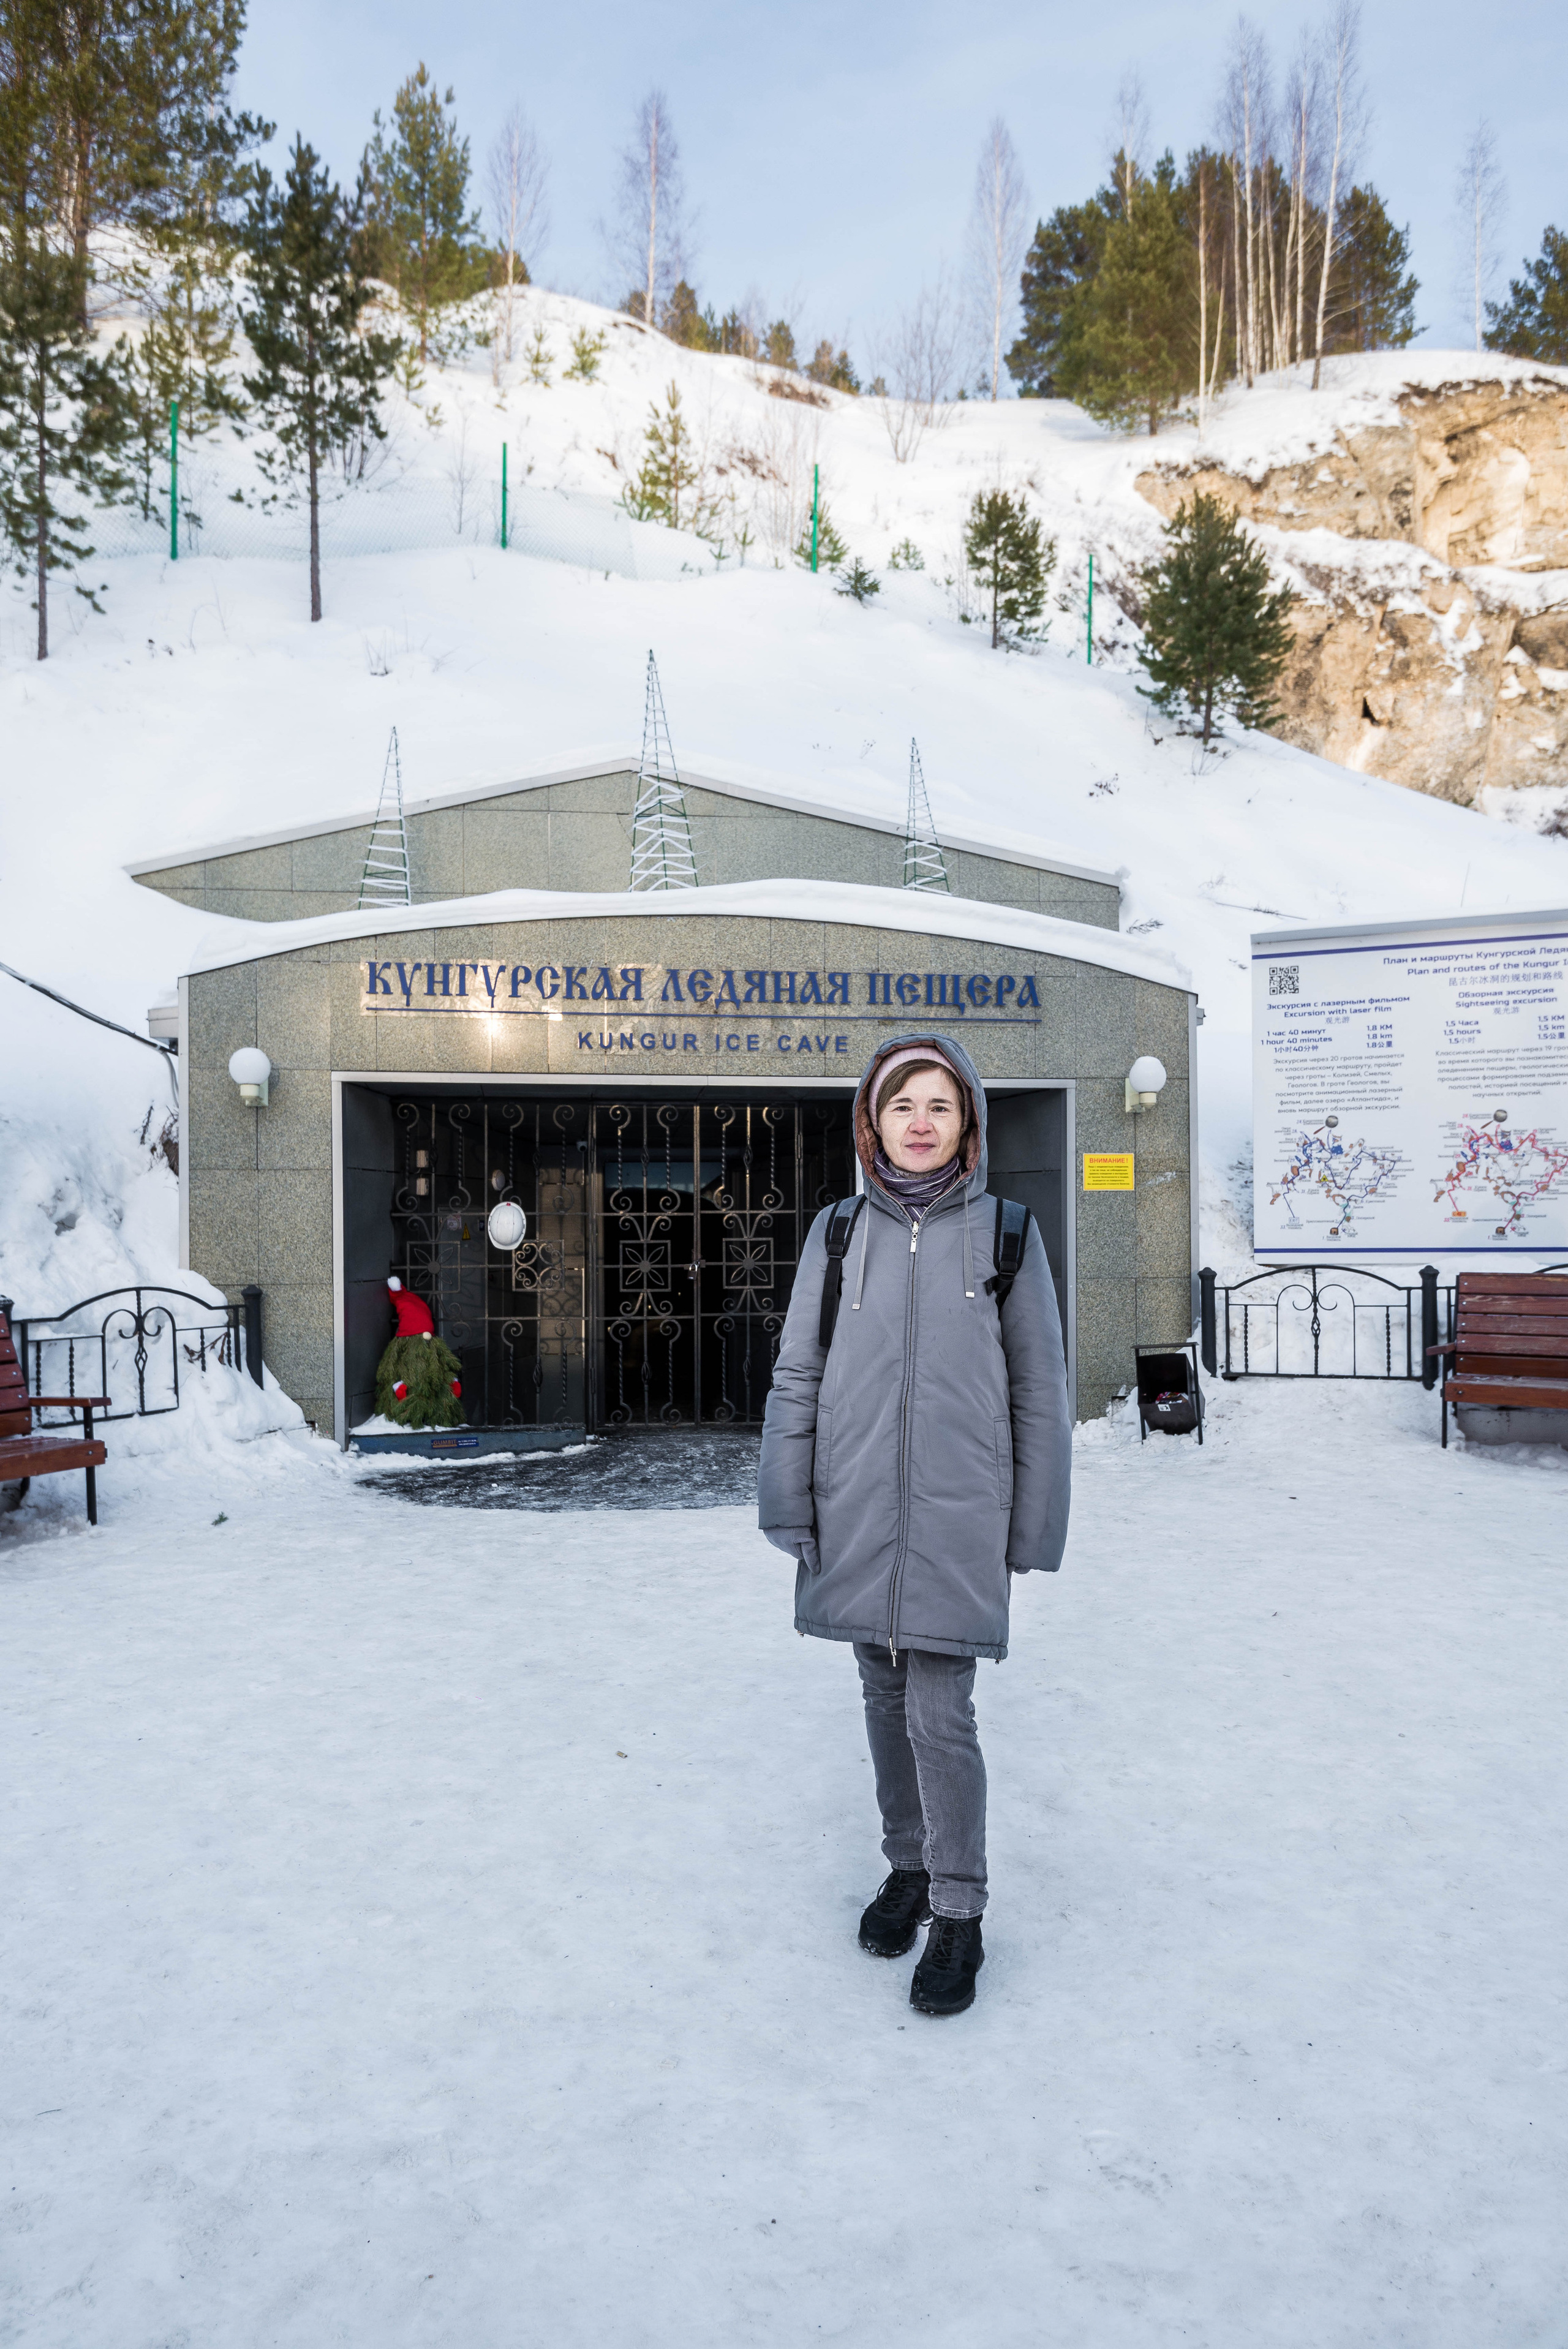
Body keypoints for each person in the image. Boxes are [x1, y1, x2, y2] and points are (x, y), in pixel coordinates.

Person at [757, 1033, 1071, 2017]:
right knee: (882, 1698)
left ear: (968, 1121)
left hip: (960, 1512)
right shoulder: (838, 1232)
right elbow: (800, 1369)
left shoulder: (1010, 1234)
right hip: (854, 1501)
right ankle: (908, 1868)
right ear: (873, 1121)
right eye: (903, 1105)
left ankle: (960, 1909)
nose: (921, 1122)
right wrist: (787, 1495)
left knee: (942, 1712)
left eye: (940, 1104)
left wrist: (1034, 1528)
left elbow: (1041, 1391)